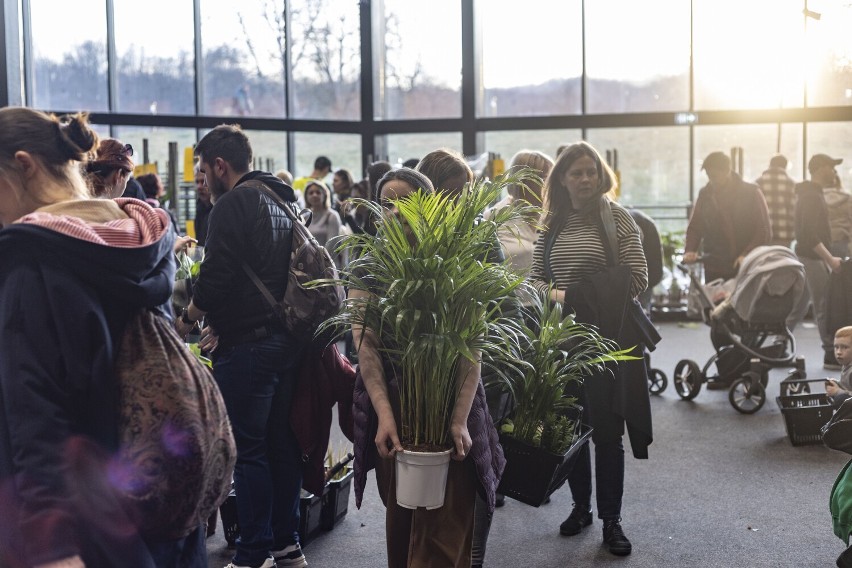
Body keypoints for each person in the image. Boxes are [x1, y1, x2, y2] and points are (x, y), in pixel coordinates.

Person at [0, 108, 207, 567]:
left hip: (85, 527)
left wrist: (52, 546)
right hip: (161, 504)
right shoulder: (138, 239)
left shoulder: (33, 261)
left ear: (23, 165)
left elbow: (35, 415)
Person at [351, 167, 504, 568]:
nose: (396, 212)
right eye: (387, 204)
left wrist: (458, 420)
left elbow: (473, 347)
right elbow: (365, 347)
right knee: (402, 521)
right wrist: (384, 415)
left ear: (430, 208)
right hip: (397, 405)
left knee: (447, 528)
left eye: (407, 202)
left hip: (454, 400)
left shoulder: (455, 263)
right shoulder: (369, 266)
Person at [174, 124, 307, 568]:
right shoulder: (280, 197)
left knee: (247, 451)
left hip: (249, 349)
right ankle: (286, 544)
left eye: (200, 172)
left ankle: (252, 552)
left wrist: (189, 317)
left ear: (219, 165)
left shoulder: (233, 203)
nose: (199, 182)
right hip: (286, 339)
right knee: (280, 444)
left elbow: (218, 277)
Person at [528, 141, 651, 557]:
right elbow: (535, 283)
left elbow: (637, 277)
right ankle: (580, 508)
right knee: (573, 430)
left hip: (608, 342)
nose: (585, 179)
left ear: (602, 177)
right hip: (564, 343)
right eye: (576, 172)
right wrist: (558, 296)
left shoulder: (616, 217)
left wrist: (570, 296)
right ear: (561, 178)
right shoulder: (552, 224)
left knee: (607, 434)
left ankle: (611, 520)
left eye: (591, 172)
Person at [790, 154, 845, 370]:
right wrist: (829, 259)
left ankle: (776, 344)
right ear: (821, 168)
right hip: (812, 257)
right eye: (831, 167)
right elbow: (808, 235)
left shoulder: (810, 194)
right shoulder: (811, 196)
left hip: (808, 256)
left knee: (799, 305)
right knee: (823, 305)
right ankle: (831, 354)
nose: (834, 172)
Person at [683, 151, 771, 282]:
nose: (711, 180)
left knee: (741, 301)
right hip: (713, 264)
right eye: (708, 175)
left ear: (727, 171)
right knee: (714, 300)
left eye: (714, 176)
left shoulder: (751, 193)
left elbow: (763, 231)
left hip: (744, 266)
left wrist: (746, 254)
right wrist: (690, 249)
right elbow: (695, 226)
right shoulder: (705, 194)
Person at [487, 149, 553, 274]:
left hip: (551, 293)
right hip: (511, 293)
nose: (550, 184)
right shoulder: (493, 217)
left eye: (552, 178)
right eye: (545, 177)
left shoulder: (555, 215)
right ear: (523, 180)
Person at [755, 154, 797, 248]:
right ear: (785, 167)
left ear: (770, 165)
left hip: (763, 235)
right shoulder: (791, 183)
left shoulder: (757, 183)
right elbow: (795, 210)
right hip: (784, 235)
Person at [304, 180, 344, 264]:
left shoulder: (332, 216)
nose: (314, 195)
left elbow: (330, 246)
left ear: (325, 195)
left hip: (327, 266)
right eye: (311, 193)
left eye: (318, 192)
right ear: (306, 197)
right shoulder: (305, 217)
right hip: (309, 266)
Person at [823, 173, 852, 258]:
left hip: (822, 242)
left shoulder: (818, 198)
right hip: (842, 240)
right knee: (840, 270)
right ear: (839, 183)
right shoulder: (848, 198)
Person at [826, 326, 852, 408]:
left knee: (840, 399)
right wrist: (837, 384)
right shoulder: (847, 364)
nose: (839, 352)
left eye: (845, 347)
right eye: (836, 347)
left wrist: (838, 392)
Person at [194, 163, 213, 246]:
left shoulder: (221, 209)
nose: (199, 187)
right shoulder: (200, 208)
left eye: (203, 181)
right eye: (197, 182)